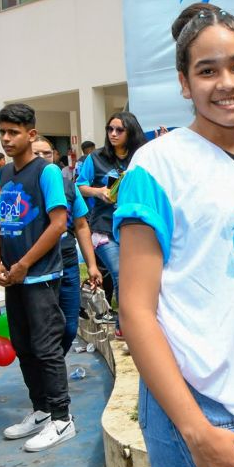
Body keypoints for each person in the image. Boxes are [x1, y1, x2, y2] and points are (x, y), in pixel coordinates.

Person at [114, 2, 234, 467]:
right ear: (185, 83)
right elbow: (135, 311)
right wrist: (194, 428)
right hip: (201, 405)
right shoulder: (157, 165)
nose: (227, 83)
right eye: (207, 71)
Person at [0, 103, 74, 452]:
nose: (7, 139)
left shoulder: (47, 173)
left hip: (40, 276)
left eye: (13, 132)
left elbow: (58, 224)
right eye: (2, 132)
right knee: (23, 346)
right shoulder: (4, 175)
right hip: (14, 279)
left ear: (31, 134)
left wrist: (23, 263)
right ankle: (41, 411)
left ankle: (62, 418)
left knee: (45, 348)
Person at [76, 112, 147, 335]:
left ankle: (133, 324)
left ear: (131, 132)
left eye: (119, 130)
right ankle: (124, 328)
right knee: (120, 274)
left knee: (139, 276)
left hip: (136, 227)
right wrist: (98, 192)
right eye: (110, 129)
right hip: (104, 229)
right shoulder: (95, 158)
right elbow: (79, 186)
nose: (113, 134)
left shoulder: (142, 156)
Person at [32, 136, 103, 353]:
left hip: (68, 264)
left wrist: (91, 265)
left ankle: (53, 366)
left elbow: (81, 226)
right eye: (37, 153)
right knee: (43, 328)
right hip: (37, 269)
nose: (43, 158)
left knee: (70, 328)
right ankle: (49, 375)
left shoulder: (68, 187)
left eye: (47, 153)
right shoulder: (23, 186)